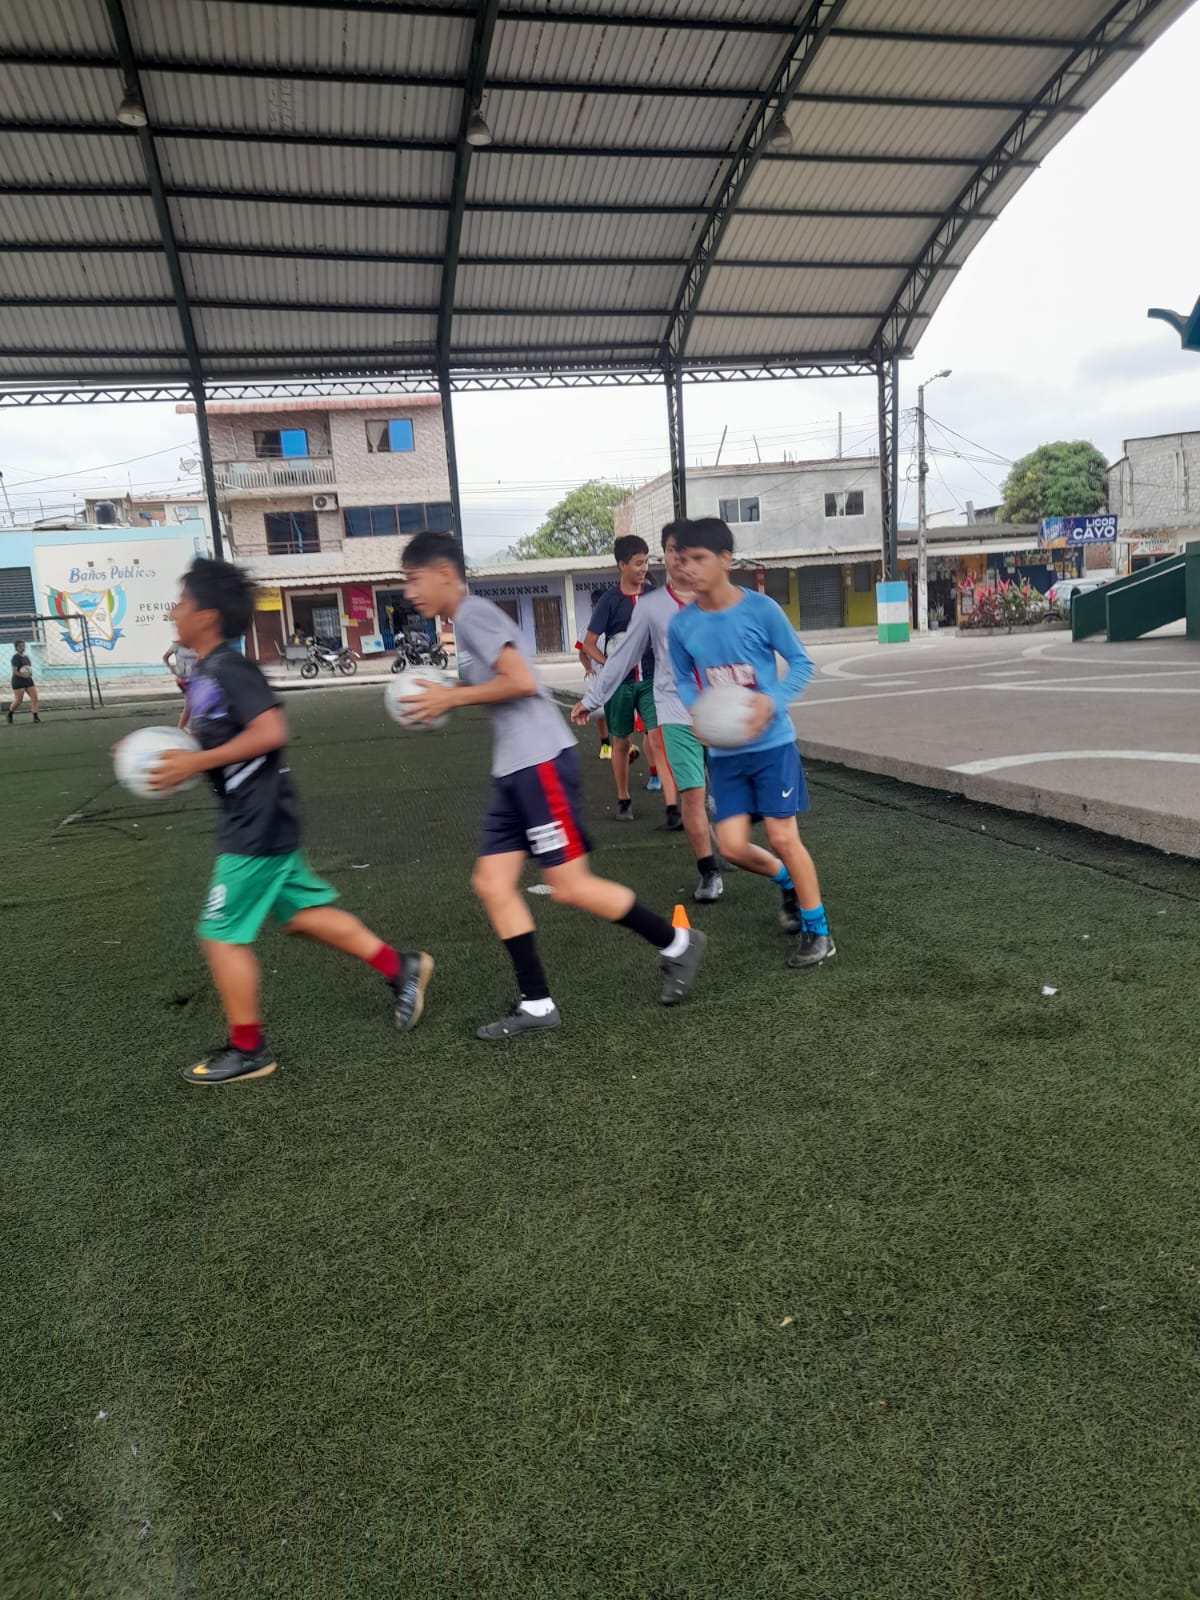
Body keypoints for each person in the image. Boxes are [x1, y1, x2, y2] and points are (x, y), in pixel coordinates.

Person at [399, 531, 706, 1040]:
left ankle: (677, 943)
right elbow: (501, 681)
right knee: (492, 883)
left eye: (414, 579)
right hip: (513, 769)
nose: (409, 592)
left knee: (570, 885)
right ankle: (537, 1003)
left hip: (539, 762)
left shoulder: (472, 614)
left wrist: (449, 699)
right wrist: (449, 691)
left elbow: (521, 681)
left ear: (445, 573)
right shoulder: (464, 622)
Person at [146, 556, 434, 1084]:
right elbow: (200, 734)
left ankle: (248, 1050)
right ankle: (403, 968)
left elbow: (271, 731)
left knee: (220, 935)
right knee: (302, 917)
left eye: (181, 602)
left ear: (206, 616)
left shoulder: (231, 668)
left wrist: (194, 762)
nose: (173, 611)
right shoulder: (204, 672)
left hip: (255, 823)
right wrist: (153, 752)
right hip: (261, 818)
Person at [667, 518, 835, 971]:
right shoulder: (682, 625)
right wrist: (697, 710)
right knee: (732, 847)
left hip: (772, 746)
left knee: (782, 836)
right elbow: (682, 678)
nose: (689, 568)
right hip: (726, 753)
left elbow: (801, 663)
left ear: (725, 560)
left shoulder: (761, 610)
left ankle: (818, 931)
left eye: (699, 558)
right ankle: (786, 883)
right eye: (683, 559)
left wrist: (771, 701)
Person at [573, 521, 731, 897]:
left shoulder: (723, 597)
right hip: (672, 708)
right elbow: (621, 655)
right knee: (691, 791)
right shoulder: (650, 605)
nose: (679, 558)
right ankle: (707, 870)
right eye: (672, 551)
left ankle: (729, 844)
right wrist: (592, 698)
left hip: (721, 709)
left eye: (687, 551)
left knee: (723, 791)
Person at [580, 536, 671, 822]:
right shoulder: (609, 601)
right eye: (638, 563)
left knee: (658, 737)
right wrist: (612, 666)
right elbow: (589, 644)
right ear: (622, 565)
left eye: (646, 562)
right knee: (620, 742)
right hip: (619, 685)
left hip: (652, 682)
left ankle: (671, 806)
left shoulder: (656, 597)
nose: (644, 568)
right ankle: (623, 799)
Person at [164, 639, 199, 729]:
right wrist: (170, 667)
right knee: (189, 705)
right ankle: (182, 728)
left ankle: (188, 727)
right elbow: (165, 657)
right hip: (183, 679)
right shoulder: (176, 646)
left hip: (196, 677)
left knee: (192, 704)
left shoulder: (196, 644)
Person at [7, 641, 40, 724]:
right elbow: (15, 671)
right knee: (18, 701)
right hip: (18, 681)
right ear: (16, 648)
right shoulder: (15, 658)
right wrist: (23, 675)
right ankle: (10, 714)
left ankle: (35, 717)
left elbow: (28, 668)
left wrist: (30, 673)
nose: (22, 648)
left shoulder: (26, 657)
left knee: (35, 698)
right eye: (20, 646)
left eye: (23, 646)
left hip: (28, 680)